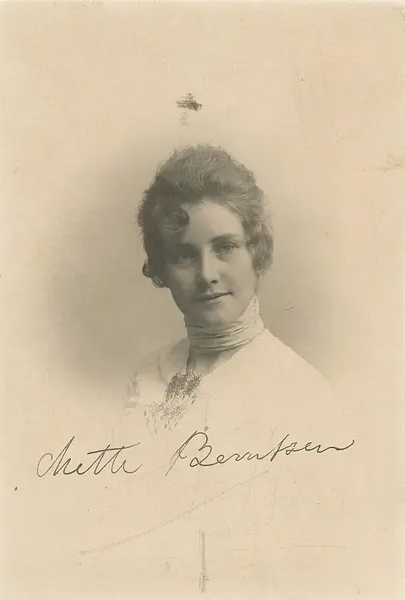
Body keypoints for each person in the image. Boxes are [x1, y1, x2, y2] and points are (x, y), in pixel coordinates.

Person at [103, 144, 357, 597]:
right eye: (184, 255)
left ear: (255, 253)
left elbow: (324, 566)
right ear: (161, 268)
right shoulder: (148, 375)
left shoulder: (302, 394)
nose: (207, 274)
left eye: (225, 247)